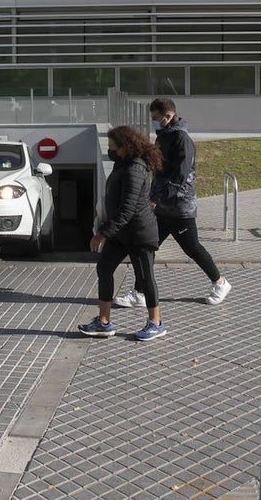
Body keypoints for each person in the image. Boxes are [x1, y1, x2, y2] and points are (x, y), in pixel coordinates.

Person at [114, 97, 231, 308]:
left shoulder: (181, 140)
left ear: (168, 116)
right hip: (160, 208)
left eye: (156, 118)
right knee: (146, 248)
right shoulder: (163, 137)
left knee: (192, 248)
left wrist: (156, 199)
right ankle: (140, 293)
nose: (154, 122)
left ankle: (220, 283)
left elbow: (181, 177)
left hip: (179, 209)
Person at [79, 125, 167, 341]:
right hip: (121, 233)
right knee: (104, 268)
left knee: (145, 277)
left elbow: (127, 209)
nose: (110, 151)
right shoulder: (123, 163)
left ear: (125, 147)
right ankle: (104, 322)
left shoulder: (134, 169)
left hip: (139, 233)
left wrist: (101, 234)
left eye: (113, 146)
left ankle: (156, 323)